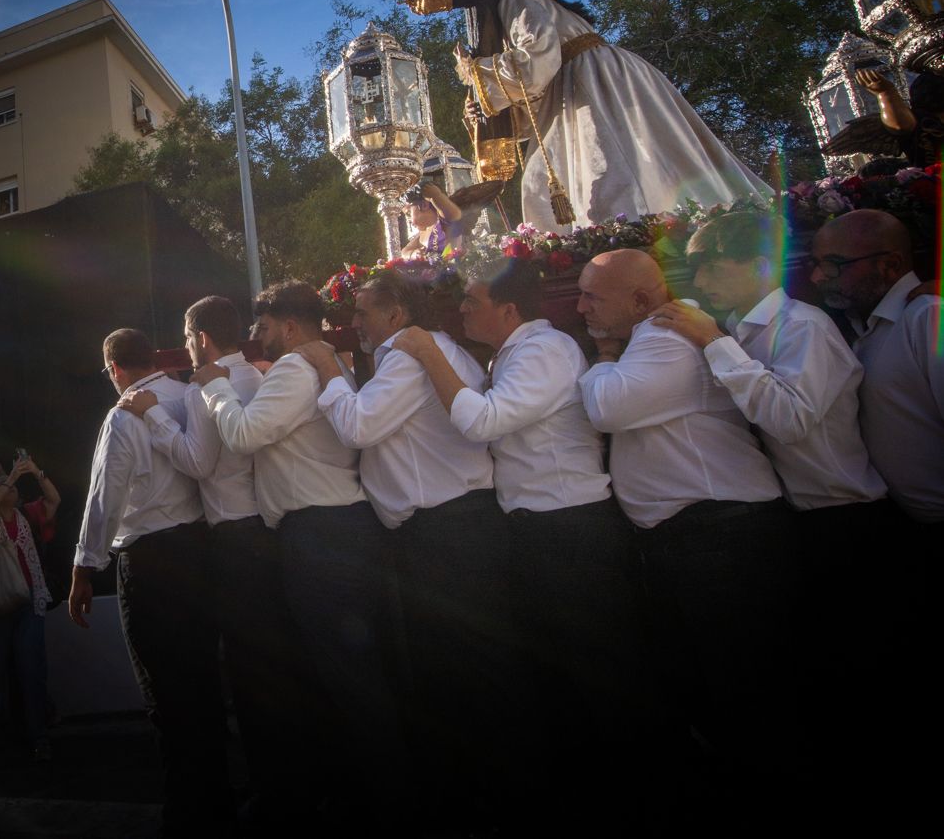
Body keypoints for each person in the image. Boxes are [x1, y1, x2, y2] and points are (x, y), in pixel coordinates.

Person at [392, 258, 666, 827]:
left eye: (472, 301)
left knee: (605, 678)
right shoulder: (515, 353)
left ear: (509, 310)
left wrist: (427, 352)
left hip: (570, 529)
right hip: (540, 530)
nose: (462, 309)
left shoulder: (541, 351)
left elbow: (483, 421)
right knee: (566, 677)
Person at [655, 212, 899, 790]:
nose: (702, 278)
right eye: (697, 266)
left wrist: (713, 342)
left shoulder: (802, 326)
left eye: (714, 264)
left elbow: (789, 420)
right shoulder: (740, 331)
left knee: (872, 679)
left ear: (761, 266)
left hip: (852, 527)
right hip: (797, 528)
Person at [575, 249, 799, 804]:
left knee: (744, 695)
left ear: (643, 300)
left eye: (592, 296)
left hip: (723, 540)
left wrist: (602, 357)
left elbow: (607, 408)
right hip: (697, 541)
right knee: (712, 692)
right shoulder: (650, 334)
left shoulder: (667, 335)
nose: (579, 306)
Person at [298, 271, 520, 829]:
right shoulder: (426, 352)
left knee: (468, 681)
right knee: (458, 679)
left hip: (449, 533)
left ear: (397, 315)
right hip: (448, 532)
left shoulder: (406, 357)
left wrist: (328, 368)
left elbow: (358, 426)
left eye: (363, 311)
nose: (353, 323)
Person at [191, 282, 410, 826]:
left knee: (348, 679)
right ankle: (375, 795)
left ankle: (389, 806)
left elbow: (243, 434)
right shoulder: (326, 364)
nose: (254, 337)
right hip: (337, 530)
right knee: (350, 674)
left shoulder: (294, 369)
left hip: (321, 536)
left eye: (262, 327)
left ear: (289, 328)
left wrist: (216, 387)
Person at [120, 295, 304, 821]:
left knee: (247, 678)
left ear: (200, 338)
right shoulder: (260, 377)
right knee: (274, 669)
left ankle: (275, 800)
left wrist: (154, 415)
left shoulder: (206, 389)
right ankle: (290, 786)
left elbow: (198, 463)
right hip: (271, 533)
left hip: (232, 542)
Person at [71, 327, 230, 837]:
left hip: (152, 561)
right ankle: (219, 802)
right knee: (203, 684)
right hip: (202, 554)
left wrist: (83, 569)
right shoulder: (189, 396)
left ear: (115, 368)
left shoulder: (122, 415)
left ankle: (188, 815)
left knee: (166, 693)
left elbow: (105, 498)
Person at [456, 0, 769, 231]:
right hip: (598, 78)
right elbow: (535, 91)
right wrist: (488, 103)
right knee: (650, 159)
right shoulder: (549, 13)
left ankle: (622, 238)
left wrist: (475, 71)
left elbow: (538, 59)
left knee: (608, 167)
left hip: (591, 79)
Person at [809, 209, 943, 529]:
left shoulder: (928, 317)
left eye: (833, 265)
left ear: (890, 265)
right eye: (815, 265)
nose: (817, 277)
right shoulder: (863, 326)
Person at [0, 453, 61, 770]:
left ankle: (39, 739)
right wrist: (7, 479)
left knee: (32, 671)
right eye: (4, 487)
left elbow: (53, 498)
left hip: (27, 601)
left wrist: (34, 470)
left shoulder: (29, 515)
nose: (11, 491)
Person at [398, 180, 465, 261]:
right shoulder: (422, 235)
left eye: (408, 213)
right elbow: (405, 251)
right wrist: (413, 254)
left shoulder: (443, 223)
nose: (408, 220)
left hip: (453, 266)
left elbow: (454, 215)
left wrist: (436, 196)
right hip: (434, 270)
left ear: (424, 205)